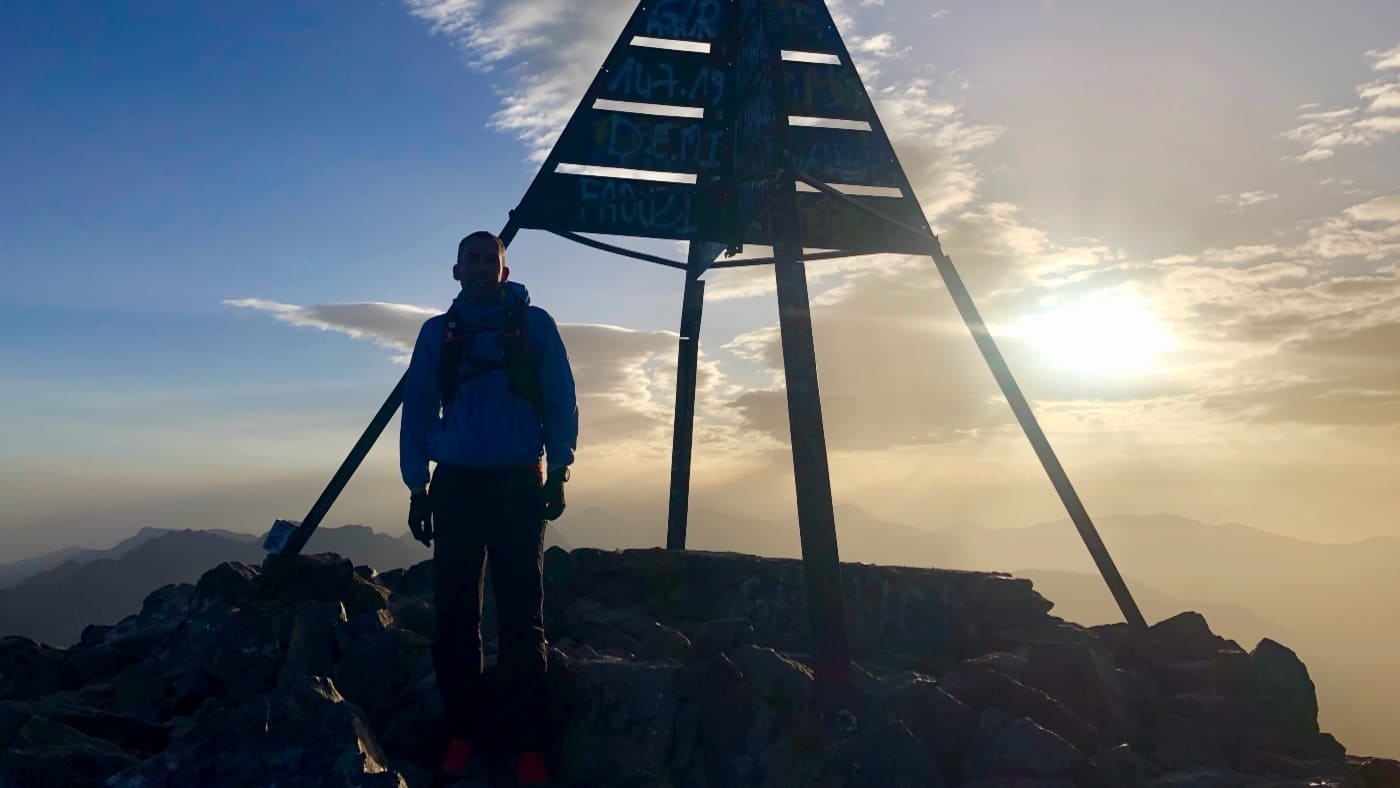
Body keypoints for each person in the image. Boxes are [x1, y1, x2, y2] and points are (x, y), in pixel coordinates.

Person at [400, 230, 577, 784]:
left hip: (517, 482)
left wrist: (560, 466)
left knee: (522, 615)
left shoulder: (535, 325)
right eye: (471, 260)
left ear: (504, 271)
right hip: (455, 484)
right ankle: (464, 731)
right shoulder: (438, 334)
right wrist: (417, 486)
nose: (479, 267)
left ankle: (528, 743)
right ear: (456, 272)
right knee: (456, 616)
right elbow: (419, 407)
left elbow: (560, 395)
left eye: (489, 260)